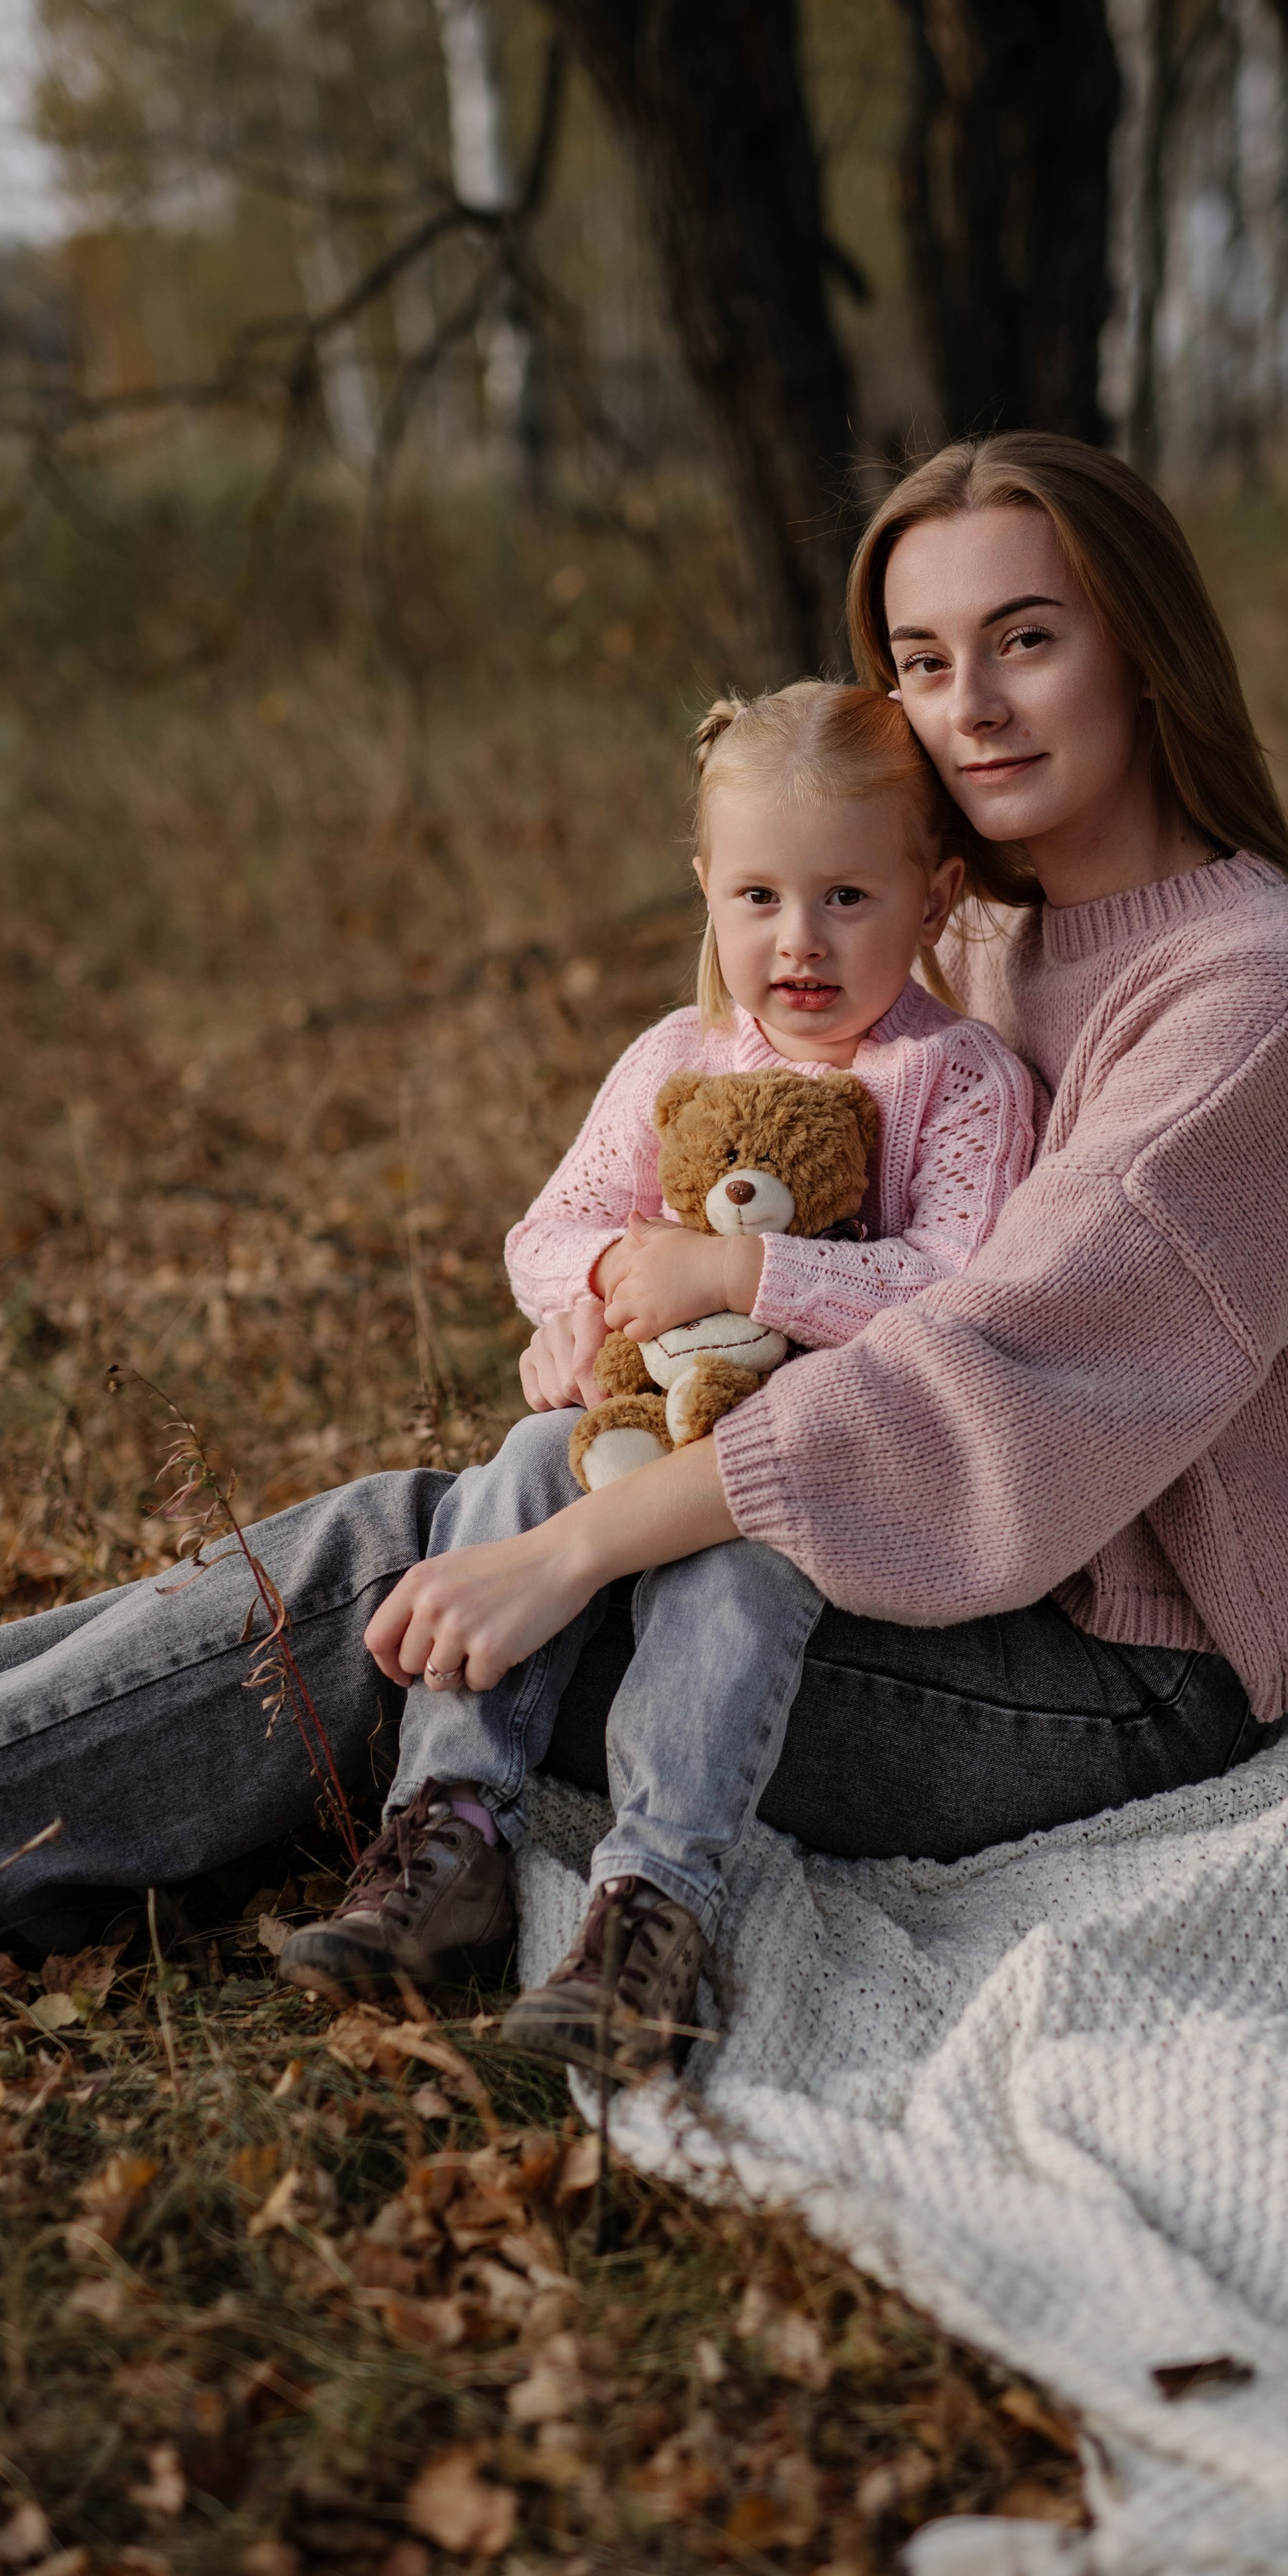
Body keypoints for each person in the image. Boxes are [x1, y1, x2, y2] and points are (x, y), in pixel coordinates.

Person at [0, 435, 1288, 2095]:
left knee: (408, 1562)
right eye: (920, 658)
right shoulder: (961, 931)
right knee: (438, 1533)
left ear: (1142, 642)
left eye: (1026, 638)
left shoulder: (1250, 993)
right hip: (905, 1561)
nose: (966, 703)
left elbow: (990, 1368)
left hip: (1104, 1664)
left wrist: (580, 1544)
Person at [279, 679, 1036, 2074]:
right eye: (757, 898)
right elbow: (552, 1231)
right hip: (639, 1421)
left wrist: (744, 1278)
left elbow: (960, 1289)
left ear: (933, 901)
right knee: (512, 1466)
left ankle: (654, 1910)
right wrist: (584, 1308)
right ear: (706, 890)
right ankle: (450, 1829)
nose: (796, 942)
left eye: (847, 900)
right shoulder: (675, 1059)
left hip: (804, 1472)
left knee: (738, 1575)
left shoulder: (957, 1081)